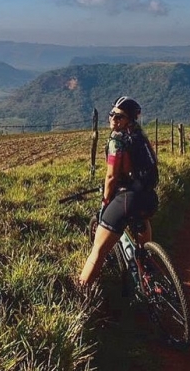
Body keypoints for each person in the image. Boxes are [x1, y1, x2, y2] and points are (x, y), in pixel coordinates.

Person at [78, 96, 159, 286]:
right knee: (141, 224)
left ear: (128, 120)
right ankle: (147, 273)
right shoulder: (141, 136)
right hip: (148, 197)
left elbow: (111, 177)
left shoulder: (117, 141)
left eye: (119, 116)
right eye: (112, 114)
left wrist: (105, 202)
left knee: (98, 250)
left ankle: (81, 293)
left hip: (127, 199)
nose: (113, 119)